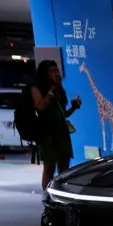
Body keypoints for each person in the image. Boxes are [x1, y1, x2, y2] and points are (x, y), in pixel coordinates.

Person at [31, 60, 81, 189]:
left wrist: (73, 108)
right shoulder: (37, 89)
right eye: (52, 71)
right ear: (44, 73)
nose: (56, 73)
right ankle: (48, 194)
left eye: (57, 70)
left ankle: (62, 192)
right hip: (47, 134)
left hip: (61, 131)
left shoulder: (60, 90)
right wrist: (51, 91)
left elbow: (62, 113)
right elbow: (41, 107)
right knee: (49, 167)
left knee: (64, 165)